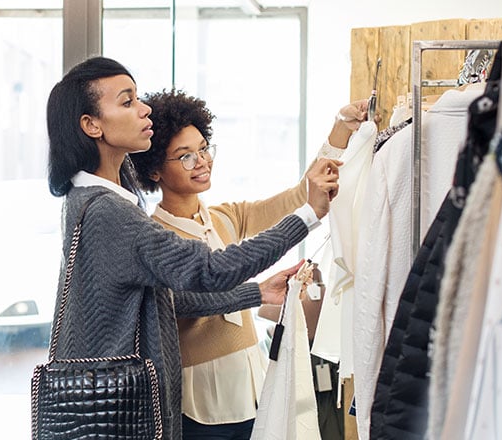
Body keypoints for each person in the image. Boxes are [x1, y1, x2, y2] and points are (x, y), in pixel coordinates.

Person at [45, 56, 341, 438]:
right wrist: (307, 216)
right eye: (127, 101)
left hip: (133, 397)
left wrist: (256, 292)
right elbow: (209, 270)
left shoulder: (89, 199)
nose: (143, 109)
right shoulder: (109, 212)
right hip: (144, 405)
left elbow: (172, 296)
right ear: (91, 125)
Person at [128, 88, 369, 439]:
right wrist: (256, 293)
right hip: (199, 402)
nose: (202, 162)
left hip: (251, 387)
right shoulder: (155, 236)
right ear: (154, 172)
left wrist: (341, 130)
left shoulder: (224, 219)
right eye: (185, 157)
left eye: (203, 150)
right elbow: (182, 304)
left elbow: (300, 196)